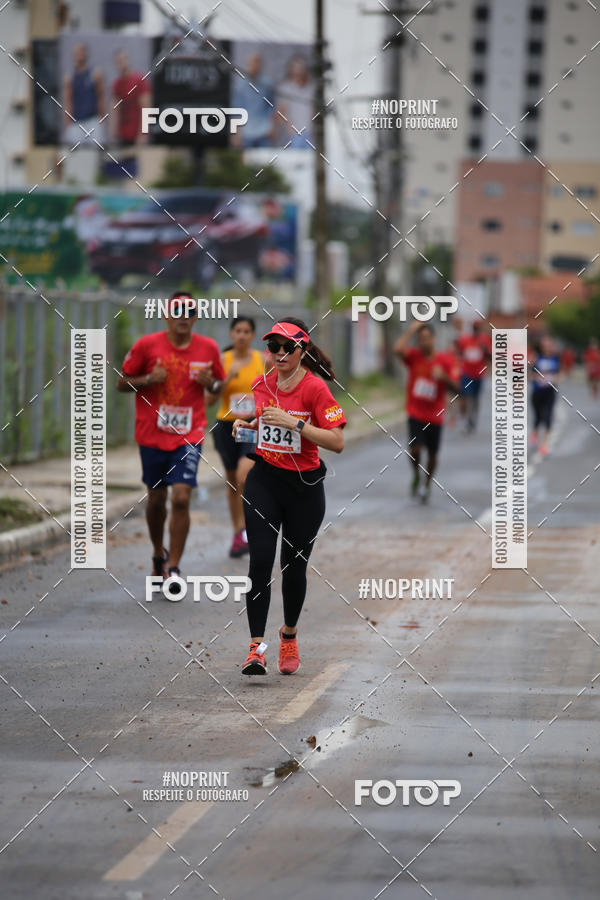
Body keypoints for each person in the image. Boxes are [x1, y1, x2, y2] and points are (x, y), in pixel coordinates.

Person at [232, 317, 346, 676]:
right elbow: (266, 423)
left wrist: (295, 423)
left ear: (302, 350)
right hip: (264, 481)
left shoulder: (315, 389)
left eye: (287, 347)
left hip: (304, 489)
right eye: (273, 346)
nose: (279, 353)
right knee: (259, 562)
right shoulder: (262, 383)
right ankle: (256, 649)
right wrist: (247, 426)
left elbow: (337, 441)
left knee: (293, 568)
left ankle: (289, 635)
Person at [117, 292, 225, 588]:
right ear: (166, 316)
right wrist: (148, 379)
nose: (183, 317)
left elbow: (219, 384)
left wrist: (210, 384)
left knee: (181, 497)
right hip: (151, 434)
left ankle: (174, 567)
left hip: (189, 435)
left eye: (189, 311)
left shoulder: (208, 348)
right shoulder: (146, 345)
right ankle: (158, 554)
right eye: (177, 311)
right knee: (156, 500)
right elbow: (121, 383)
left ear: (195, 317)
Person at [212, 316, 264, 557]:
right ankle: (238, 533)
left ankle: (252, 528)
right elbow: (209, 399)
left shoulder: (262, 360)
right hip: (226, 425)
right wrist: (226, 379)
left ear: (252, 335)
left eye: (246, 331)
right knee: (233, 481)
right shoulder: (222, 360)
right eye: (238, 331)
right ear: (231, 334)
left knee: (244, 475)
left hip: (250, 425)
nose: (242, 335)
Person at [394, 321, 461, 504]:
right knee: (415, 449)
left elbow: (457, 388)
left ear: (434, 339)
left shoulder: (445, 360)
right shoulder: (414, 356)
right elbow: (398, 349)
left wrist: (443, 377)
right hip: (415, 412)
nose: (424, 342)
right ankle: (416, 474)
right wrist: (412, 329)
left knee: (432, 454)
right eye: (420, 339)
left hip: (435, 415)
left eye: (427, 338)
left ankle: (427, 483)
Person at [63, 42, 106, 145]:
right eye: (76, 53)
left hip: (93, 120)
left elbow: (101, 98)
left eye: (81, 52)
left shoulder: (96, 74)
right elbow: (68, 102)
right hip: (76, 122)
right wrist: (68, 125)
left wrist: (102, 121)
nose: (79, 55)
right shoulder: (69, 77)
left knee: (97, 149)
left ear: (86, 54)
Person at [231, 52, 275, 148]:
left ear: (260, 65)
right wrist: (235, 134)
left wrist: (272, 127)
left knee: (265, 157)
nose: (254, 66)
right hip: (246, 132)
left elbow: (271, 107)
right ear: (247, 64)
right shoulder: (240, 85)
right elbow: (237, 111)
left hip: (264, 131)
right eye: (252, 63)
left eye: (257, 63)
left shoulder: (267, 84)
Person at [456, 319, 492, 433]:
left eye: (478, 328)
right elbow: (459, 353)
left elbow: (491, 356)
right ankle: (468, 420)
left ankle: (473, 418)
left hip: (479, 375)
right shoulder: (465, 340)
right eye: (474, 328)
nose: (476, 330)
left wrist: (485, 349)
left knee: (475, 397)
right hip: (467, 373)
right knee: (467, 396)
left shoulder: (485, 340)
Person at [110, 50, 150, 146]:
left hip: (137, 134)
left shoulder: (139, 80)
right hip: (122, 135)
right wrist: (112, 133)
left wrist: (143, 134)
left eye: (122, 60)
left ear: (128, 60)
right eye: (118, 61)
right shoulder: (117, 84)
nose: (121, 63)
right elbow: (114, 110)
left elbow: (146, 108)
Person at [530, 336, 560, 456]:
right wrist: (537, 378)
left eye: (549, 345)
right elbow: (530, 374)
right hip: (537, 392)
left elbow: (560, 373)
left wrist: (556, 378)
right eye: (545, 345)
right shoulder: (537, 358)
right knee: (538, 417)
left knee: (548, 416)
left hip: (550, 392)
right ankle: (535, 432)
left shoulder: (556, 358)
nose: (547, 347)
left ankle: (544, 445)